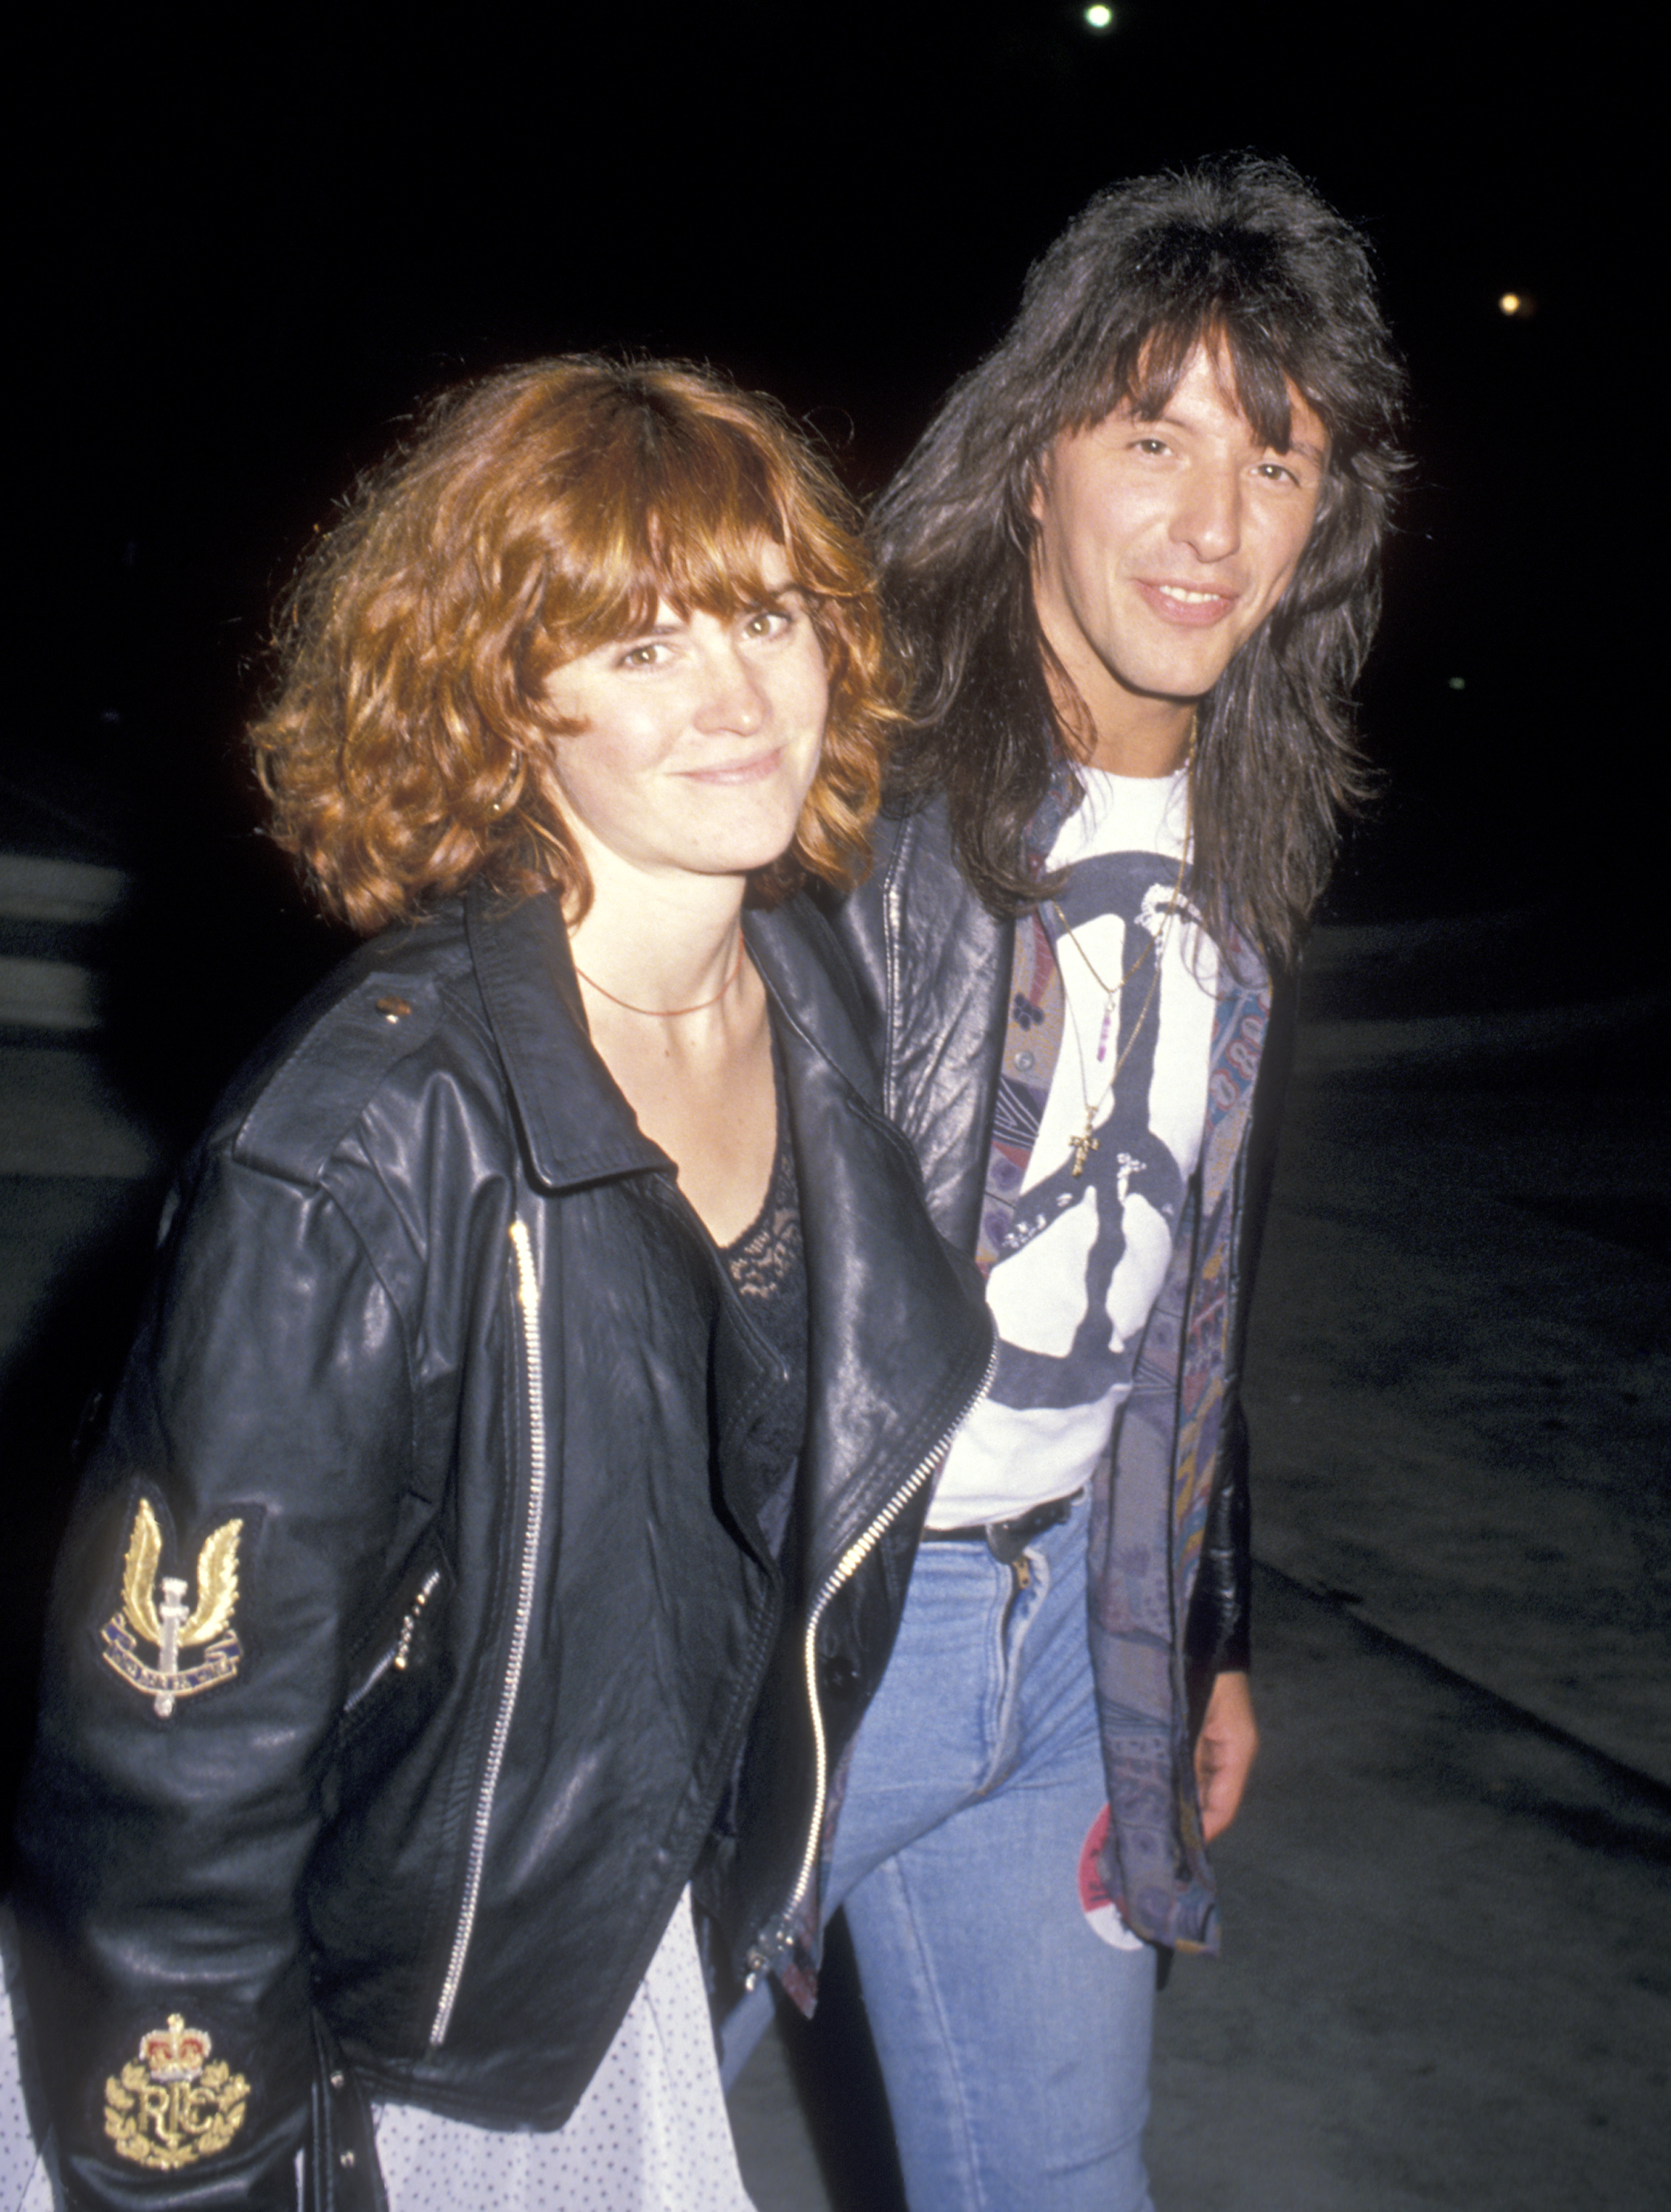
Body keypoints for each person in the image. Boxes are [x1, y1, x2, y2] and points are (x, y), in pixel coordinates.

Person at [3, 358, 991, 2209]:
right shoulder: (359, 1144)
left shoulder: (813, 991)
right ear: (496, 692)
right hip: (382, 2010)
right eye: (638, 644)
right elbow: (171, 1768)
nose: (734, 697)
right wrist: (200, 2172)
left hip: (606, 1937)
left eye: (765, 615)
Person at [740, 157, 1409, 2210]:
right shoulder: (828, 791)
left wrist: (1204, 1617)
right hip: (794, 1639)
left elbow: (1183, 1274)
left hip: (1066, 1641)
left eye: (1275, 463)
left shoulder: (1250, 826)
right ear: (1033, 457)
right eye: (1153, 438)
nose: (1214, 525)